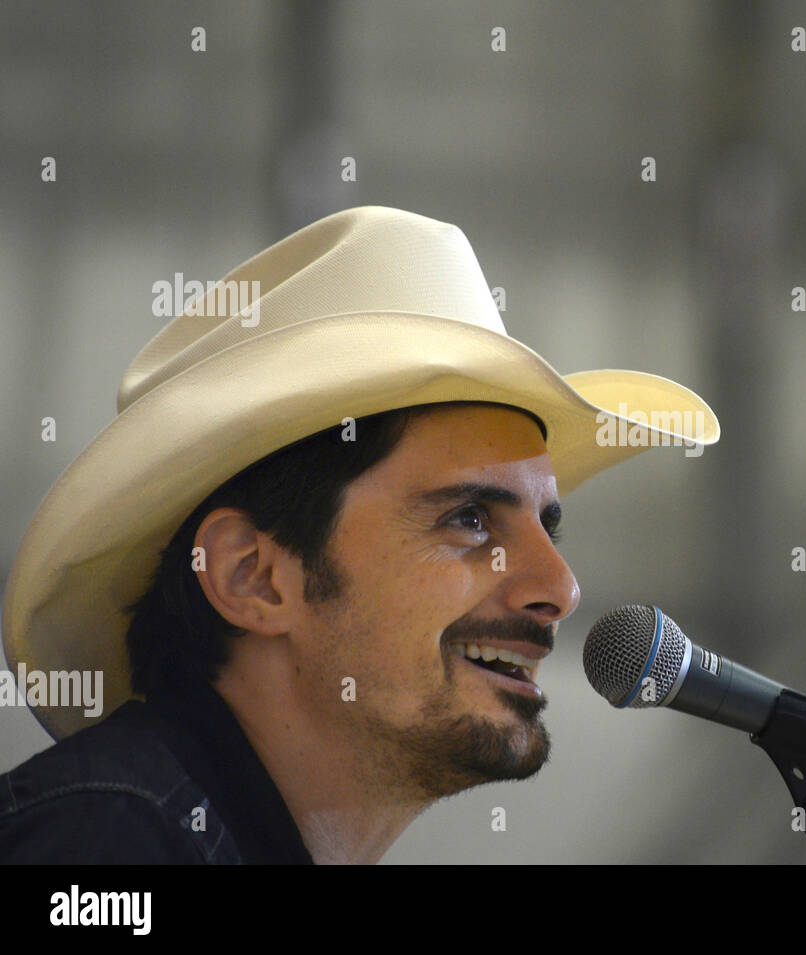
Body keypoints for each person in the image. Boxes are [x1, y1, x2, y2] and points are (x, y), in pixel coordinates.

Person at [0, 206, 718, 863]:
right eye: (470, 518)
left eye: (547, 524)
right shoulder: (104, 847)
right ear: (252, 575)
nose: (560, 588)